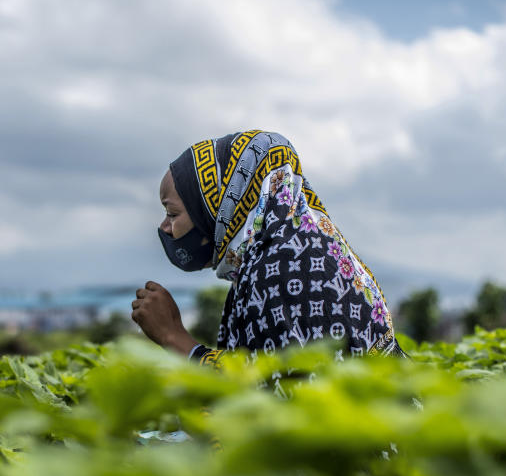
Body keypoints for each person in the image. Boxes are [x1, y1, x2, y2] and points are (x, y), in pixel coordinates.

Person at [131, 130, 404, 367]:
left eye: (172, 213)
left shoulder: (280, 269)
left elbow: (280, 395)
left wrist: (173, 336)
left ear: (214, 208)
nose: (165, 227)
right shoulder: (296, 251)